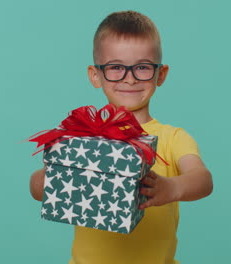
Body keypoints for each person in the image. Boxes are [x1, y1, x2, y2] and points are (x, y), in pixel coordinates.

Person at [30, 10, 213, 264]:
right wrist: (57, 178)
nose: (129, 78)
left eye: (142, 67)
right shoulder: (84, 139)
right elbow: (37, 188)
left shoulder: (173, 138)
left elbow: (202, 180)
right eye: (116, 67)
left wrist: (171, 187)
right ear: (96, 75)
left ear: (160, 74)